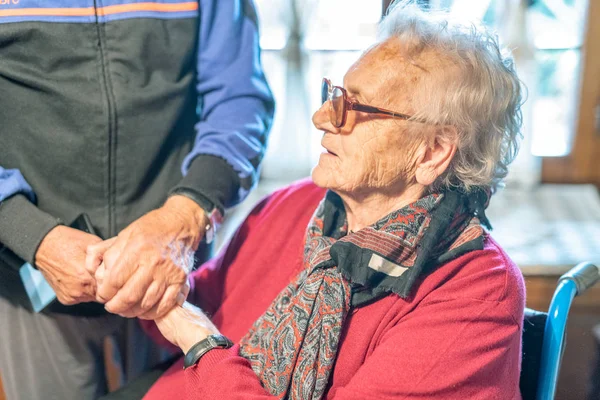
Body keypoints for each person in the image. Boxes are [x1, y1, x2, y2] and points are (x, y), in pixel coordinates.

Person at [116, 1, 526, 398]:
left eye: (356, 106)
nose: (323, 118)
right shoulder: (296, 204)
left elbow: (193, 325)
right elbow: (196, 301)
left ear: (433, 151)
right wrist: (135, 271)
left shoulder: (476, 292)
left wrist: (196, 336)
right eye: (336, 95)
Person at [0, 0, 274, 399]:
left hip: (172, 273)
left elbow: (240, 98)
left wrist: (183, 217)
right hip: (33, 273)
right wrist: (33, 236)